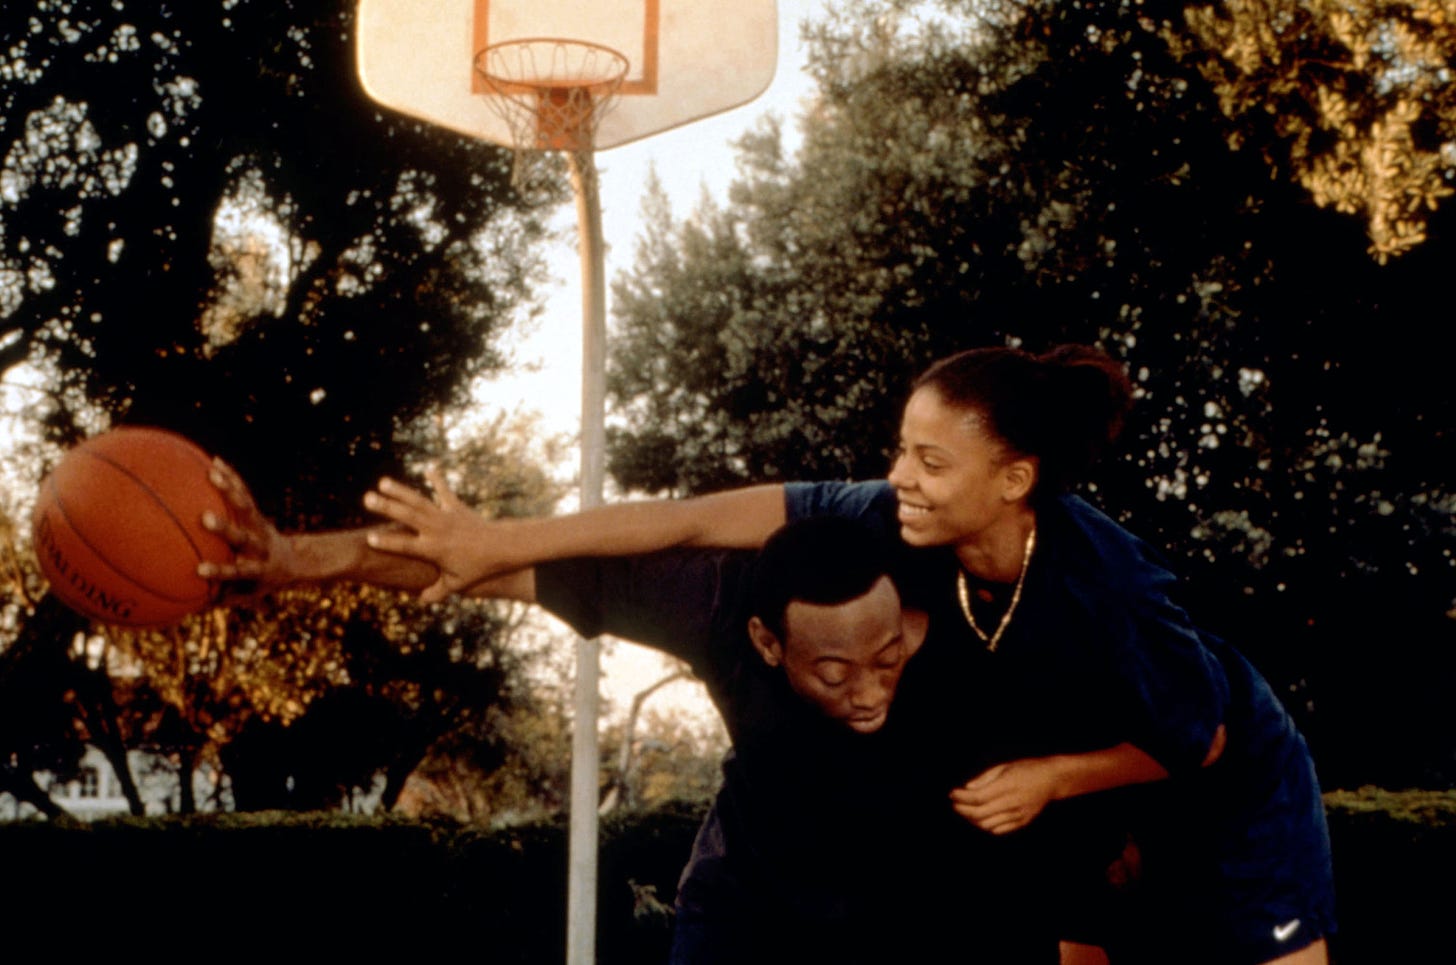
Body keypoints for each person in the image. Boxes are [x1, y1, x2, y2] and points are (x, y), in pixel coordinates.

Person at [352, 344, 1336, 965]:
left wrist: (1049, 775)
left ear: (1014, 479)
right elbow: (693, 519)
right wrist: (502, 540)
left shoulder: (1106, 588)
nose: (898, 474)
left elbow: (1202, 736)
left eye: (930, 461)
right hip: (1085, 784)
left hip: (1221, 781)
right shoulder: (892, 517)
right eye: (901, 448)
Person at [199, 470, 1107, 963]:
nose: (868, 690)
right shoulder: (713, 602)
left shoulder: (984, 633)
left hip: (919, 912)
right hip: (751, 909)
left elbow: (1088, 835)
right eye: (830, 669)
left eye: (887, 658)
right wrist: (295, 558)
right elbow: (483, 567)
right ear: (763, 641)